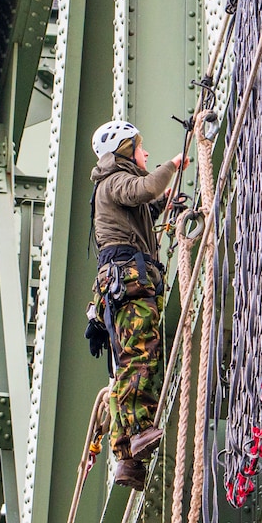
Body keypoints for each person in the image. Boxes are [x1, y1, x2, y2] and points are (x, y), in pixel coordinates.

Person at [89, 118, 185, 490]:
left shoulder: (112, 188)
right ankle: (142, 430)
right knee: (140, 354)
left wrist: (164, 203)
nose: (146, 152)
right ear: (125, 150)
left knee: (126, 363)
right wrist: (172, 166)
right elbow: (144, 190)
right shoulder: (114, 181)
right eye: (140, 146)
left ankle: (126, 457)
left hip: (119, 285)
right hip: (129, 281)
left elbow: (143, 210)